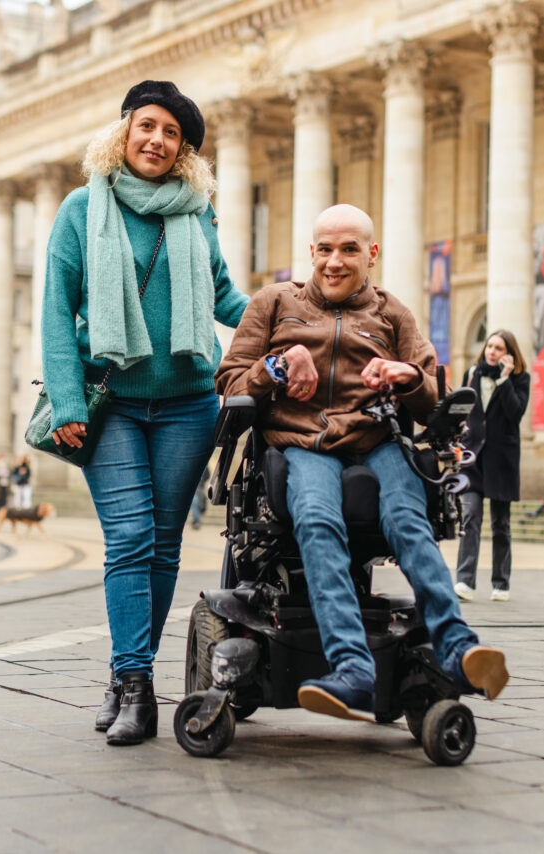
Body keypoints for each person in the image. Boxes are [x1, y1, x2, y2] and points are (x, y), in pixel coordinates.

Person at [215, 204, 508, 720]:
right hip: (302, 441)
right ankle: (352, 668)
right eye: (325, 249)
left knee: (409, 521)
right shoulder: (273, 303)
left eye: (349, 249)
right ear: (311, 252)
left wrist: (407, 377)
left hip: (377, 439)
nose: (334, 261)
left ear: (371, 254)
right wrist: (278, 365)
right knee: (319, 519)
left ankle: (458, 647)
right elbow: (231, 383)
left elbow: (431, 397)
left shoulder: (393, 313)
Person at [42, 80, 248, 746]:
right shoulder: (81, 209)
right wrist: (68, 400)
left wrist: (296, 326)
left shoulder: (196, 213)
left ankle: (125, 671)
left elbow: (224, 298)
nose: (157, 141)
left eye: (173, 135)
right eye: (148, 126)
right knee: (129, 540)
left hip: (190, 399)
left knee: (162, 548)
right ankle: (138, 689)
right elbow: (55, 309)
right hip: (114, 404)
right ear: (126, 129)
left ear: (184, 151)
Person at [454, 329, 530, 602]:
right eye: (489, 346)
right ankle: (465, 581)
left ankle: (501, 583)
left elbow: (515, 413)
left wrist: (505, 380)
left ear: (509, 354)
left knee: (501, 524)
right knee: (470, 516)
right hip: (473, 458)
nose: (492, 352)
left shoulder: (520, 379)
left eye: (498, 348)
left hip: (502, 461)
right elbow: (463, 412)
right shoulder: (472, 373)